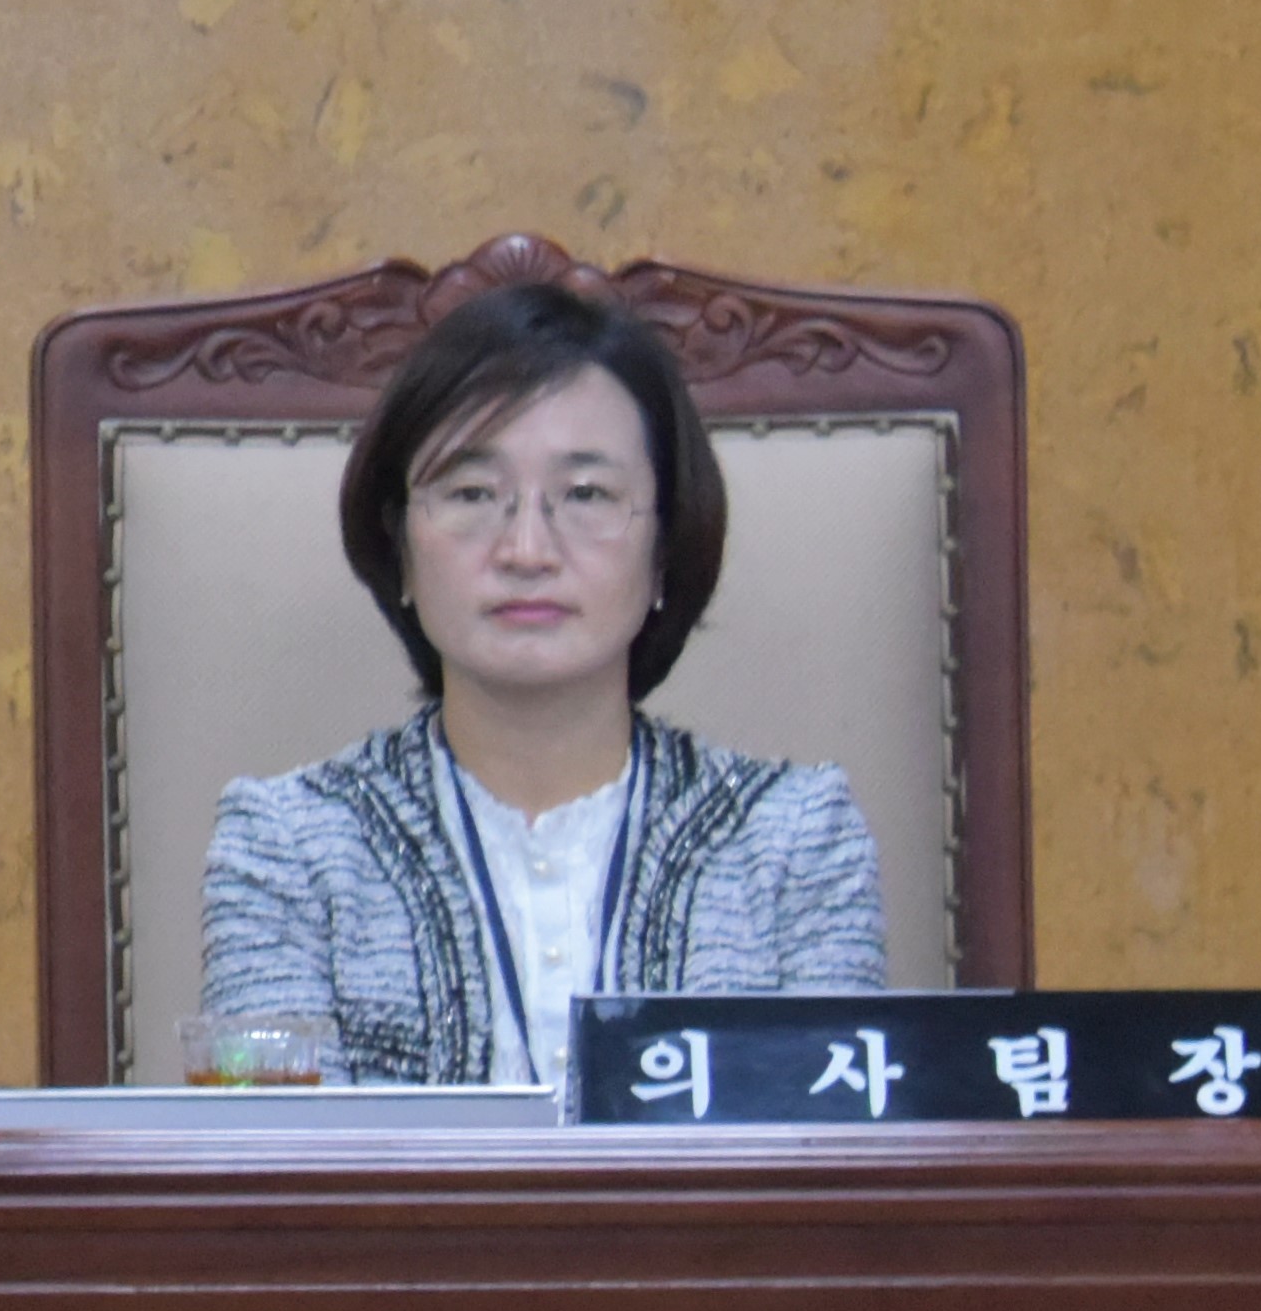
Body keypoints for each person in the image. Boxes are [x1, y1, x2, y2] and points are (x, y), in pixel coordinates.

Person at [194, 277, 887, 1086]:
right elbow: (281, 1183)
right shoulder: (285, 848)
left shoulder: (796, 841)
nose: (527, 549)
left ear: (665, 547)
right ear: (401, 549)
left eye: (586, 494)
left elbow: (828, 1177)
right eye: (472, 493)